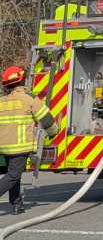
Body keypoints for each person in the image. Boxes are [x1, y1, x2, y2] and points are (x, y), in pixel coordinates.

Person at [0, 65, 59, 215]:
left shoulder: (2, 101)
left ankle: (16, 205)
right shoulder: (29, 99)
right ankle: (16, 204)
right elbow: (47, 120)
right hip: (20, 146)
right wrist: (54, 132)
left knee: (14, 174)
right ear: (22, 80)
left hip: (4, 146)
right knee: (13, 176)